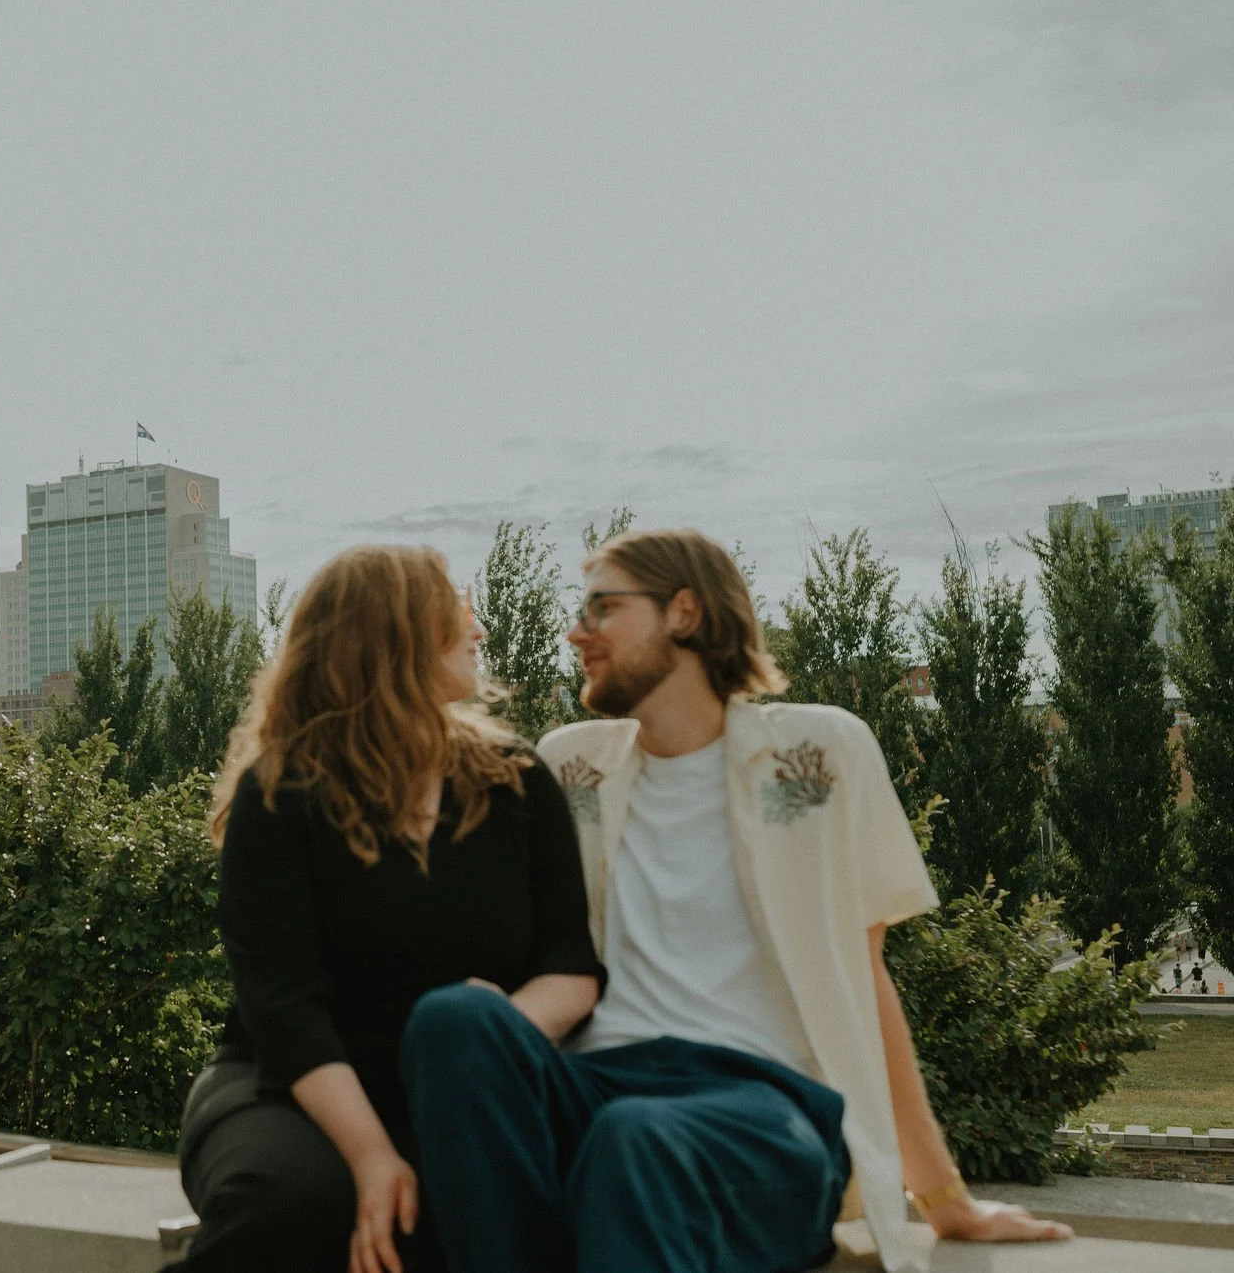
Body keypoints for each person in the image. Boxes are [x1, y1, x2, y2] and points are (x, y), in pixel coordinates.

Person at [399, 529, 1071, 1273]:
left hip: (760, 1109)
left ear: (683, 612)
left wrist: (946, 1200)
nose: (576, 632)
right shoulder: (570, 763)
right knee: (452, 1019)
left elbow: (865, 977)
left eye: (604, 608)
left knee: (637, 1138)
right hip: (595, 1087)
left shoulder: (824, 752)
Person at [180, 545, 605, 1273]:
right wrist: (372, 1156)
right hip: (289, 1087)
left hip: (461, 1089)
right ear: (396, 639)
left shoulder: (515, 783)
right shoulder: (281, 794)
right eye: (456, 617)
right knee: (295, 1200)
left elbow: (571, 967)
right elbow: (284, 1009)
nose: (476, 633)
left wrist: (490, 1035)